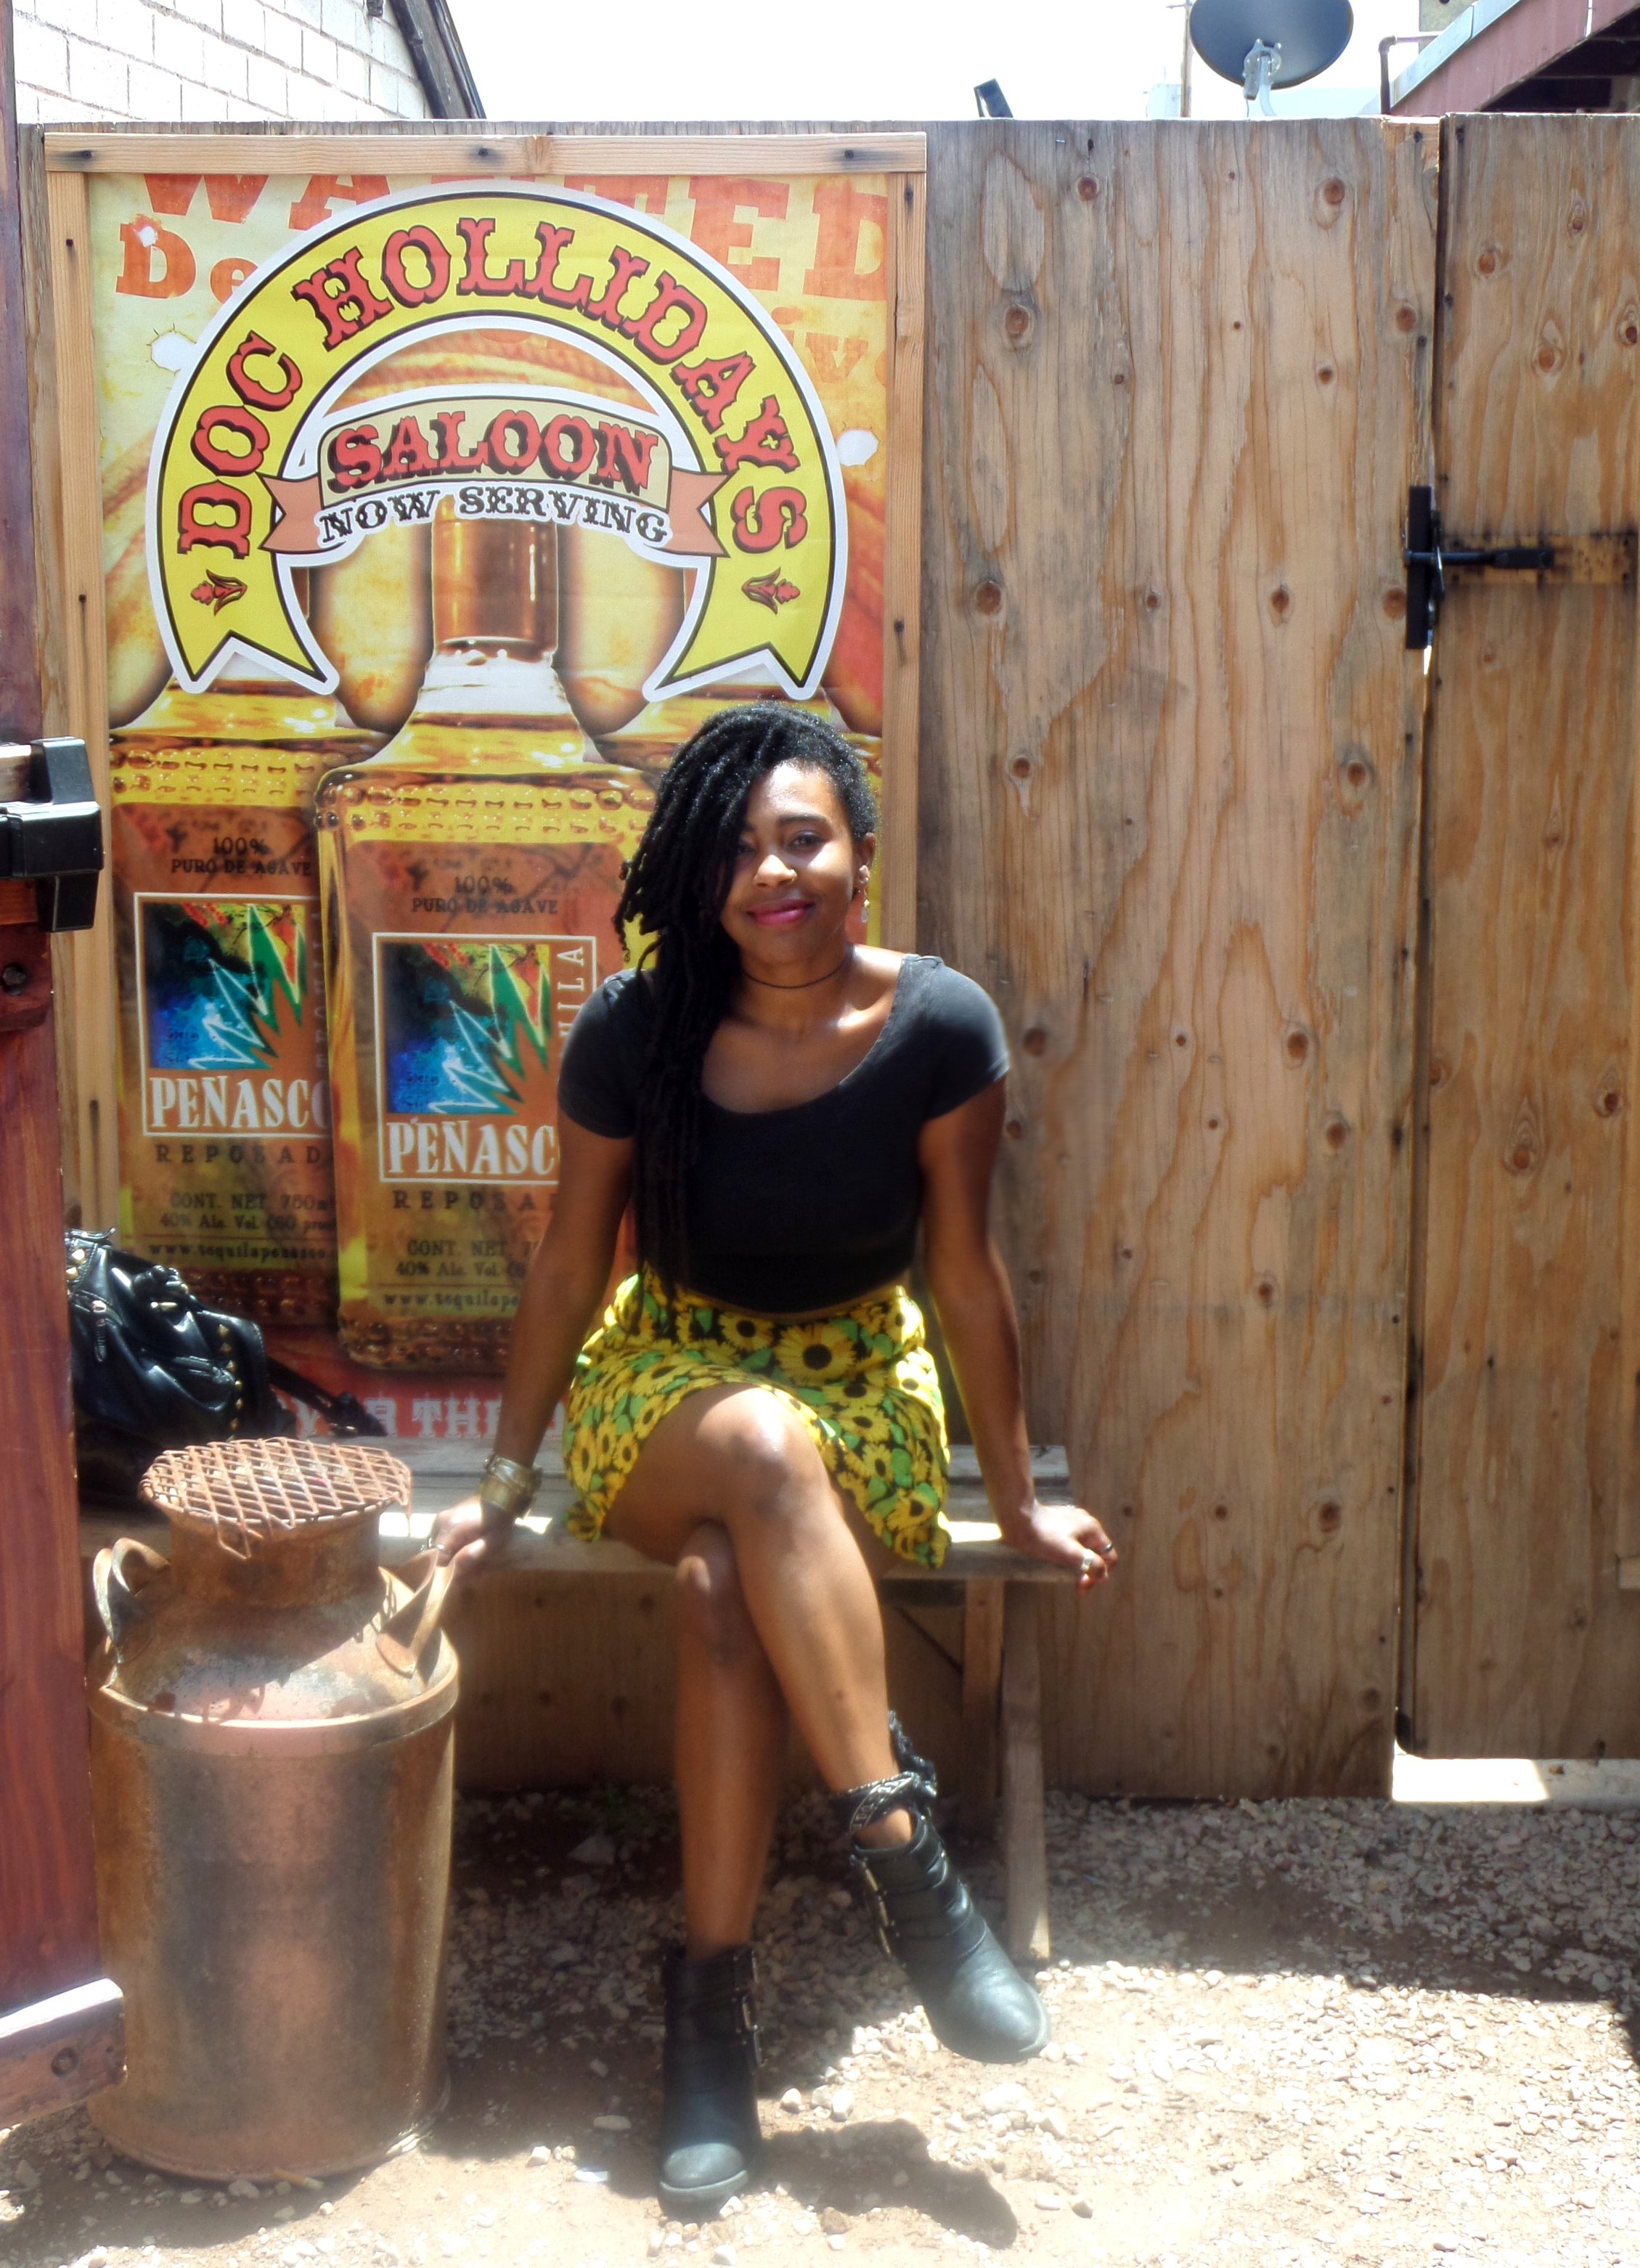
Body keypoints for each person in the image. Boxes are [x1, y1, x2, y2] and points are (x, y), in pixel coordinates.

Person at [433, 702, 1116, 2215]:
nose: (769, 871)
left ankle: (710, 2028)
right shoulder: (637, 1028)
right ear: (700, 874)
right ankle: (899, 1845)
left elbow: (964, 1272)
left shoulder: (940, 1028)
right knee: (747, 1442)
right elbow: (564, 1265)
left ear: (859, 853)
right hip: (668, 1374)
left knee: (716, 1591)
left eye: (799, 836)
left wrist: (1013, 1499)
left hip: (863, 1378)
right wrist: (494, 1483)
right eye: (736, 848)